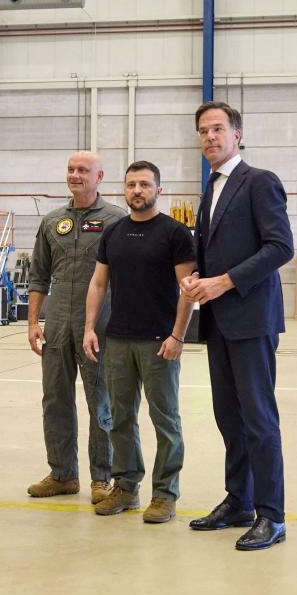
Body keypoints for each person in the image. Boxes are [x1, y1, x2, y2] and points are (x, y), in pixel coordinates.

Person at [182, 102, 294, 550]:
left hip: (250, 318)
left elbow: (280, 246)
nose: (210, 137)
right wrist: (198, 277)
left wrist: (225, 281)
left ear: (238, 134)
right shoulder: (211, 189)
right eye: (203, 131)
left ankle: (273, 515)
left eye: (218, 129)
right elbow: (215, 250)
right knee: (229, 417)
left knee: (259, 419)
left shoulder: (259, 181)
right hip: (220, 322)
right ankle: (239, 501)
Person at [82, 161, 196, 524]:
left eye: (144, 184)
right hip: (118, 340)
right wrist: (89, 328)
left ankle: (165, 494)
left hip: (160, 342)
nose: (137, 191)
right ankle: (127, 487)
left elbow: (187, 290)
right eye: (131, 184)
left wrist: (178, 335)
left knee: (165, 419)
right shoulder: (113, 233)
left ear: (158, 190)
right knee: (120, 418)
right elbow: (99, 283)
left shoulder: (175, 234)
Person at [27, 151, 127, 504]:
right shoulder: (53, 222)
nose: (75, 175)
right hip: (57, 324)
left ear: (100, 176)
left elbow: (128, 277)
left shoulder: (117, 219)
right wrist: (34, 323)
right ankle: (62, 474)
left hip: (98, 327)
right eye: (70, 169)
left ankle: (102, 478)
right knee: (55, 399)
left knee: (100, 402)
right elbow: (38, 275)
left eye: (83, 170)